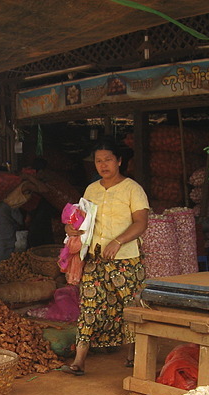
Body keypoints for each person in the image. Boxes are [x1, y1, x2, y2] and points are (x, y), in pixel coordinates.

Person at [60, 139, 149, 375]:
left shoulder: (133, 189)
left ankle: (134, 355)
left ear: (119, 161)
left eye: (108, 159)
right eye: (98, 161)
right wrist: (72, 230)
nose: (103, 165)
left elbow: (141, 223)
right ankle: (79, 361)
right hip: (96, 259)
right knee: (89, 306)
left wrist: (118, 241)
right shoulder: (92, 190)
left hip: (126, 260)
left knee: (129, 307)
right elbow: (81, 221)